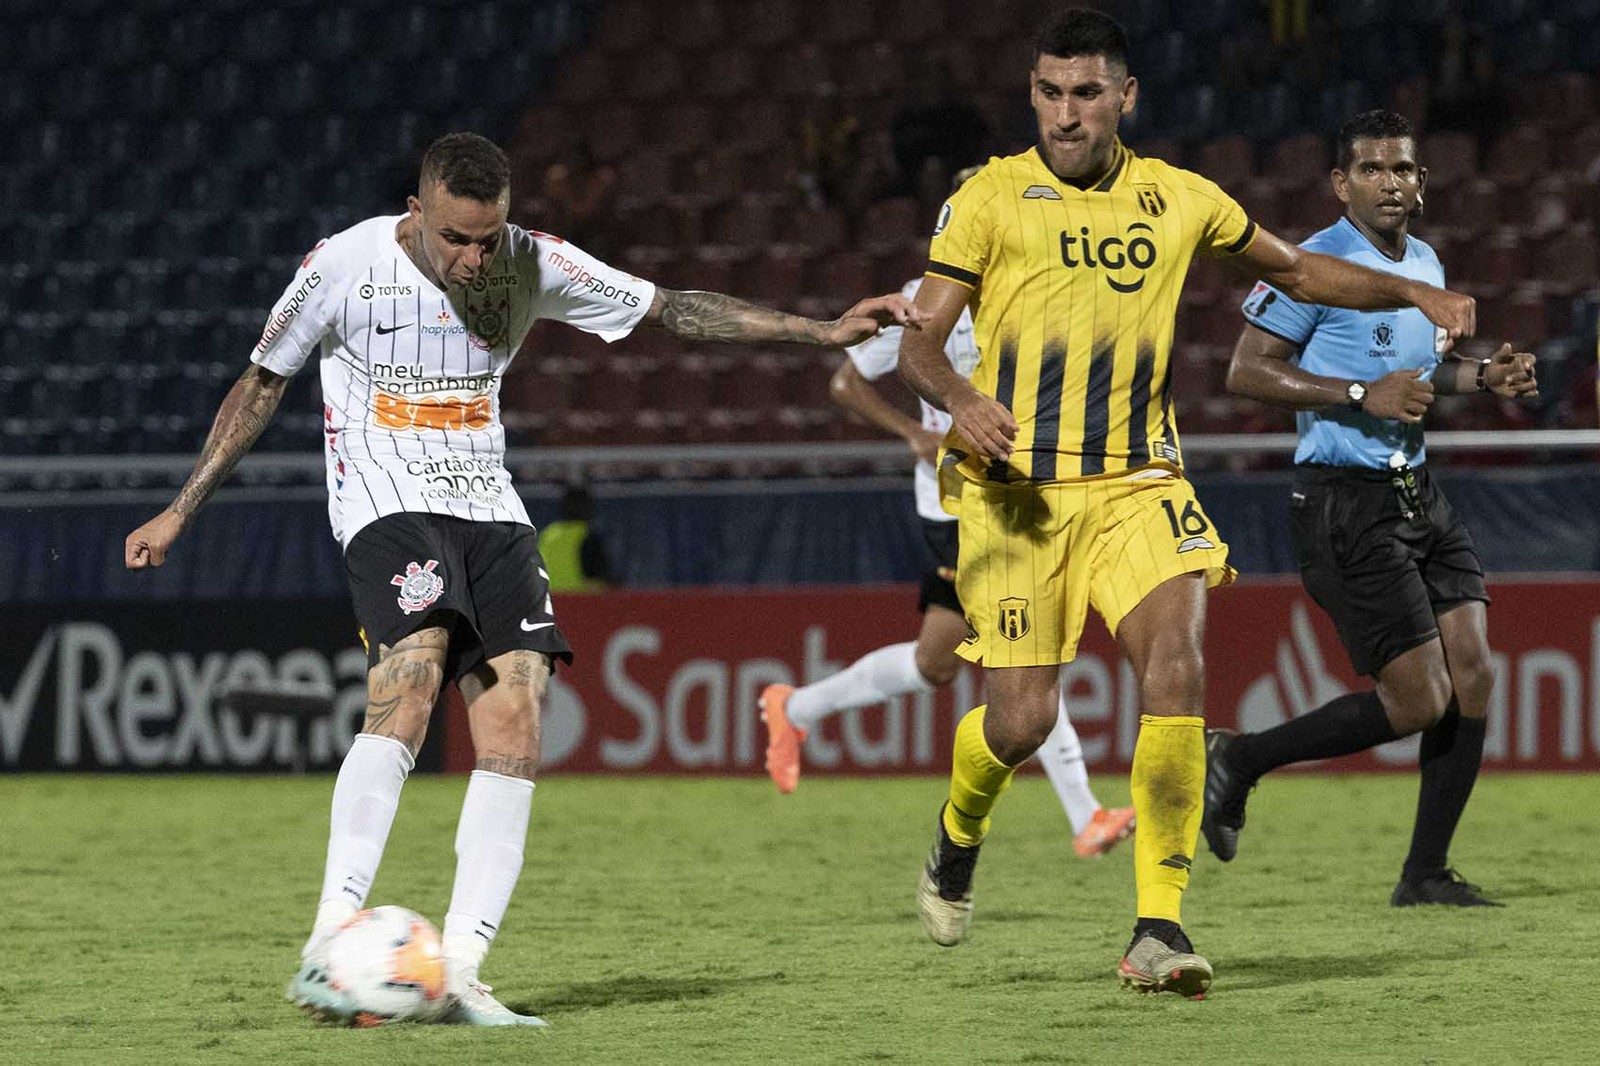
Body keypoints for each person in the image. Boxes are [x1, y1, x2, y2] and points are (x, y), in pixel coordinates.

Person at [122, 132, 919, 1027]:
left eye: (486, 238)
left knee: (516, 717)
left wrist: (820, 330)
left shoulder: (532, 263)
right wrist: (180, 509)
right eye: (456, 237)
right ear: (416, 212)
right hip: (386, 498)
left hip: (490, 504)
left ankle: (459, 972)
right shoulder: (343, 262)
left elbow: (673, 310)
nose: (473, 257)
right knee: (411, 679)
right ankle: (330, 941)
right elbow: (261, 383)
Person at [895, 9, 1474, 998]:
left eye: (1085, 93)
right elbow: (919, 338)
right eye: (1047, 92)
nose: (1064, 113)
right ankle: (956, 833)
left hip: (1138, 481)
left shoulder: (1179, 198)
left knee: (1177, 661)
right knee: (1021, 721)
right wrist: (959, 396)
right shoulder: (988, 199)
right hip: (1018, 496)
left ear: (1125, 97)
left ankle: (1157, 926)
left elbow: (1294, 268)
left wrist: (1405, 296)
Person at [1205, 110, 1538, 906]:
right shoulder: (1311, 264)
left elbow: (1421, 381)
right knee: (1419, 700)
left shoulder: (1422, 261)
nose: (1391, 182)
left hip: (1415, 490)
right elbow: (1245, 373)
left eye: (1404, 170)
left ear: (1422, 182)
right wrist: (1358, 393)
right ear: (1341, 183)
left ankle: (1424, 873)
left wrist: (1483, 379)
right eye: (1373, 169)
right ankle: (1240, 758)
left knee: (1477, 674)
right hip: (1341, 503)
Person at [761, 169, 1135, 858]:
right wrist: (912, 434)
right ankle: (1086, 814)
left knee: (937, 663)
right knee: (1024, 645)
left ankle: (797, 708)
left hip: (1021, 496)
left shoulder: (1045, 290)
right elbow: (845, 381)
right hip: (954, 502)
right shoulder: (921, 301)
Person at [538, 483, 613, 592]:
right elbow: (598, 580)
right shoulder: (588, 536)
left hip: (548, 601)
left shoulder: (547, 534)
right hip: (578, 602)